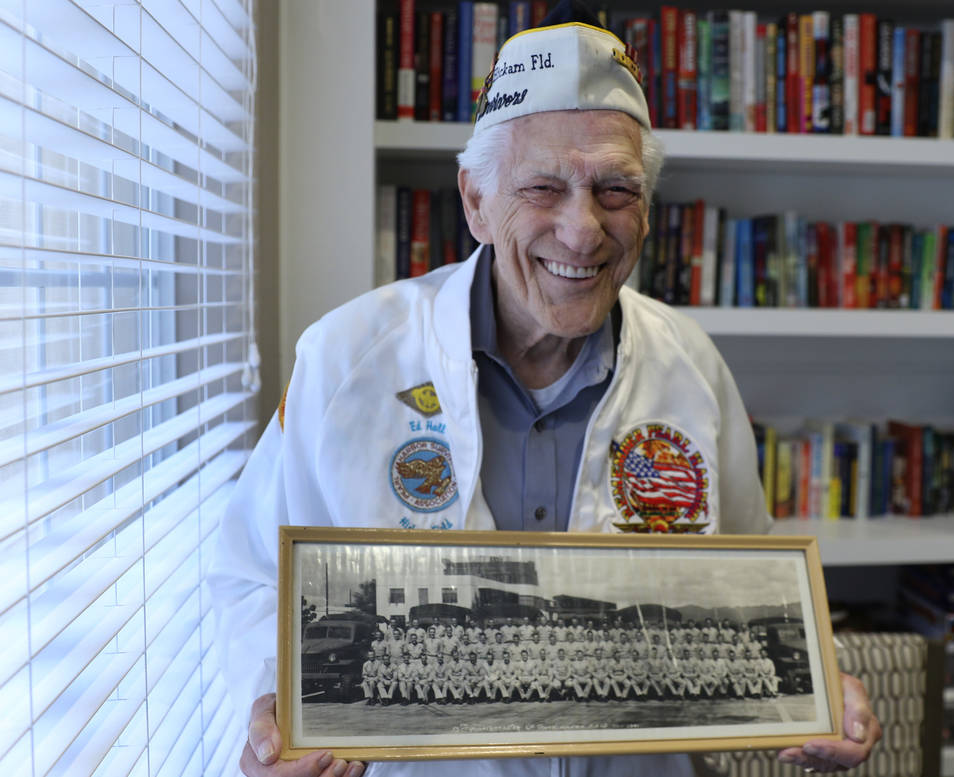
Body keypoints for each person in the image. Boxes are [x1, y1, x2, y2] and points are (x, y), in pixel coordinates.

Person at [207, 2, 880, 775]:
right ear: (476, 202)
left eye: (615, 190)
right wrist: (269, 712)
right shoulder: (345, 358)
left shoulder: (689, 361)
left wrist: (820, 676)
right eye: (543, 188)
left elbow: (754, 565)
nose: (584, 229)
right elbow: (254, 570)